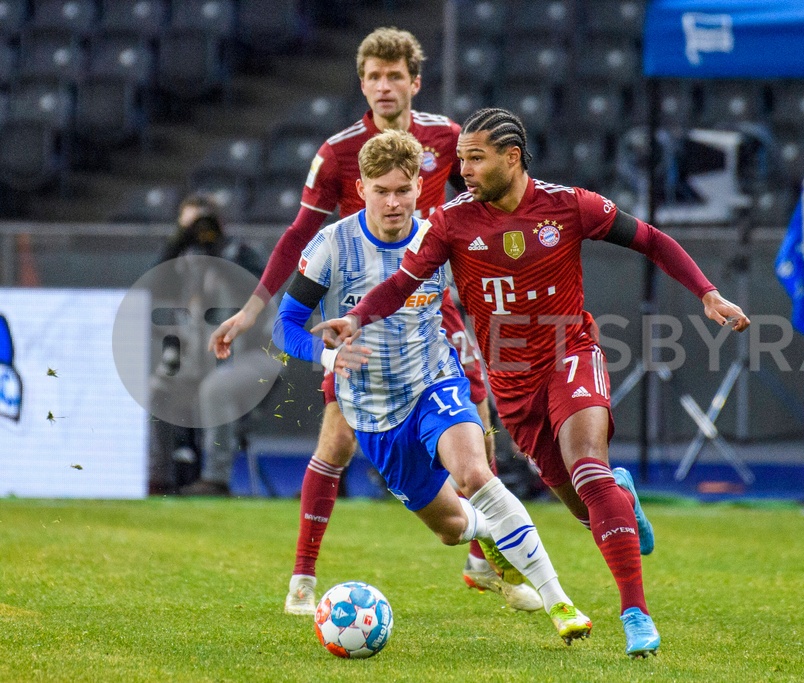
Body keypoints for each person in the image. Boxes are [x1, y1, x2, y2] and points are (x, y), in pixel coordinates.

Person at [315, 108, 752, 658]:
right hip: (512, 384)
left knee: (588, 468)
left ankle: (635, 613)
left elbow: (652, 241)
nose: (463, 169)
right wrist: (356, 319)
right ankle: (622, 496)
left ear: (512, 157)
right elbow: (401, 284)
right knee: (581, 504)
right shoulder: (452, 223)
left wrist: (707, 292)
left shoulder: (569, 205)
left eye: (475, 158)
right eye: (461, 158)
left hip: (571, 352)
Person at [205, 28, 536, 613]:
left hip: (431, 301)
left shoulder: (448, 139)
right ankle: (303, 578)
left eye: (395, 75)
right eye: (374, 77)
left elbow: (489, 203)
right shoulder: (337, 152)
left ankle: (487, 561)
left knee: (476, 413)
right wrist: (255, 308)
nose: (385, 86)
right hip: (360, 311)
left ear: (415, 81)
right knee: (336, 439)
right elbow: (298, 235)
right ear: (362, 84)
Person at [272, 128, 592, 644]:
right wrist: (327, 355)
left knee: (475, 473)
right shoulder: (331, 245)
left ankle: (561, 604)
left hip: (434, 383)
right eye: (382, 190)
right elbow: (284, 325)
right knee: (451, 529)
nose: (394, 201)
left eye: (404, 189)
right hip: (373, 413)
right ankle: (488, 536)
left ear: (421, 188)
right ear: (362, 189)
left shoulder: (441, 237)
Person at [149, 193, 277, 496]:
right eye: (190, 224)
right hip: (201, 359)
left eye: (203, 223)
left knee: (215, 387)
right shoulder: (182, 260)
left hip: (253, 355)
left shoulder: (240, 253)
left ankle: (215, 479)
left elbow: (259, 289)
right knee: (156, 391)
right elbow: (154, 286)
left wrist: (218, 253)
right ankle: (158, 477)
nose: (198, 231)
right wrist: (178, 242)